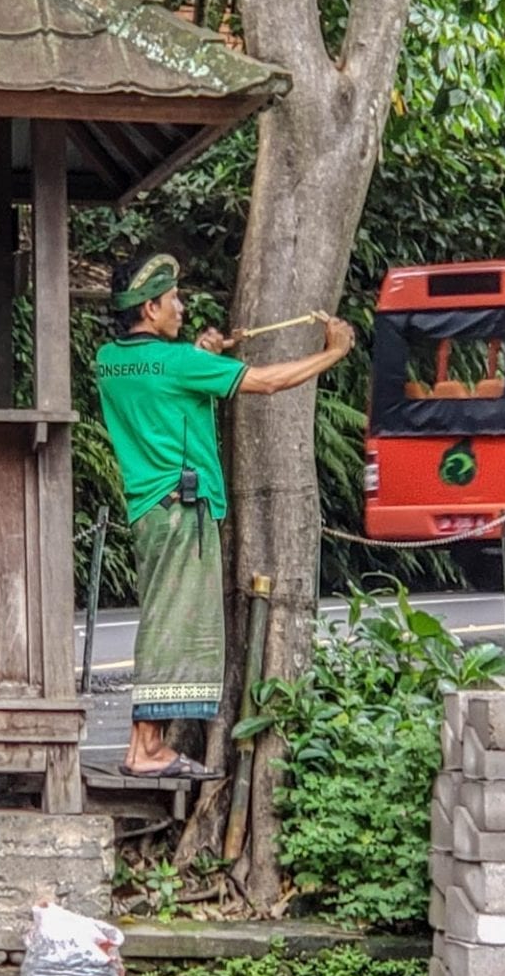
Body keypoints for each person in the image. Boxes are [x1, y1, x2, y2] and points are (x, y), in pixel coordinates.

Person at [96, 252, 354, 778]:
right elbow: (269, 382)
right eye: (174, 300)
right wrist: (333, 352)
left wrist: (201, 354)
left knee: (165, 615)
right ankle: (143, 749)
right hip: (182, 509)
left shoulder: (110, 359)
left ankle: (147, 743)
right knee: (172, 622)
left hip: (149, 508)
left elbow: (163, 385)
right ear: (150, 307)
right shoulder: (180, 365)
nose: (182, 308)